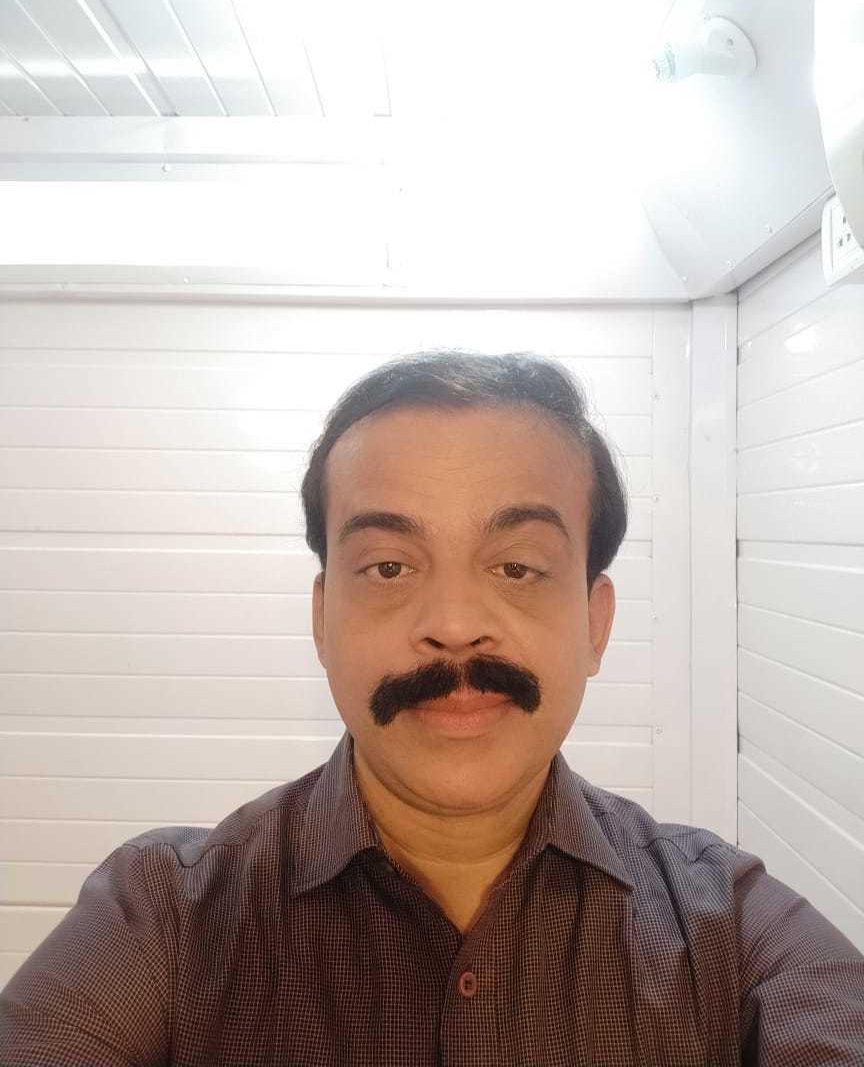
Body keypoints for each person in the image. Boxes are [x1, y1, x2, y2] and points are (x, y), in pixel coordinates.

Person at [1, 349, 862, 1066]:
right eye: (389, 567)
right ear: (322, 619)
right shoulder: (164, 917)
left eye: (517, 567)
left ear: (595, 624)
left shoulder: (732, 929)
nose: (453, 625)